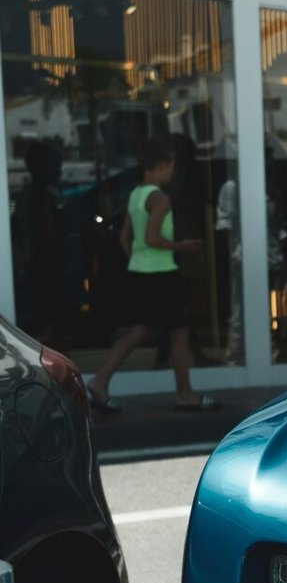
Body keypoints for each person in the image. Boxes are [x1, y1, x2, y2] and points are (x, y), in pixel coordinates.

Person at [88, 136, 217, 413]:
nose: (171, 173)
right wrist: (182, 246)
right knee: (179, 332)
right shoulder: (160, 198)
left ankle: (100, 381)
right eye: (170, 167)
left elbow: (126, 239)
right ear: (161, 166)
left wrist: (138, 260)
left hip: (139, 272)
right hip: (162, 274)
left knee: (137, 331)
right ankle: (185, 394)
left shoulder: (136, 195)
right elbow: (151, 238)